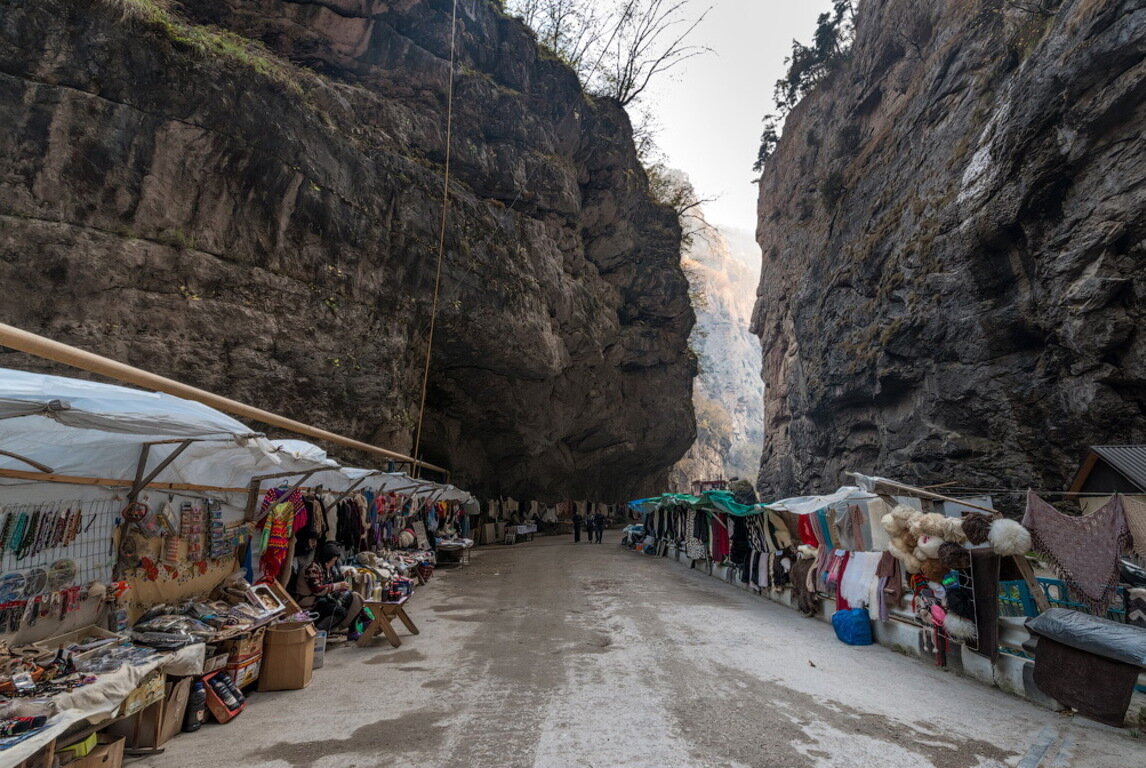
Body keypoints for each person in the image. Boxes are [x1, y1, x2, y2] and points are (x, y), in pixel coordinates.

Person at [295, 542, 367, 641]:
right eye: (333, 561)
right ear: (327, 559)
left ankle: (353, 630)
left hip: (319, 601)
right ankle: (317, 633)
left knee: (352, 597)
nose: (334, 564)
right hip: (310, 607)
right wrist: (337, 586)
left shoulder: (323, 568)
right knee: (340, 611)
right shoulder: (312, 569)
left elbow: (330, 581)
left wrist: (343, 576)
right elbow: (317, 590)